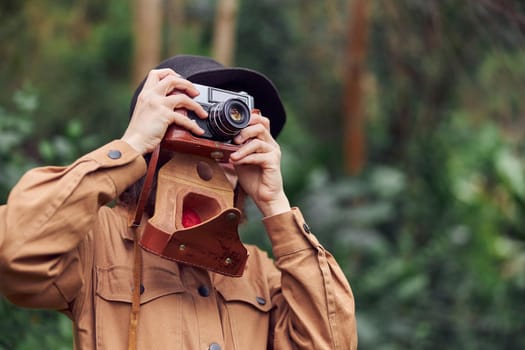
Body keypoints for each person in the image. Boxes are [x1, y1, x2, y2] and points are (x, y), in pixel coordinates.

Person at [0, 55, 357, 349]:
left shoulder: (260, 273)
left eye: (235, 127)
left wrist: (275, 203)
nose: (218, 141)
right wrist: (132, 145)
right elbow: (16, 252)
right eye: (197, 116)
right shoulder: (98, 238)